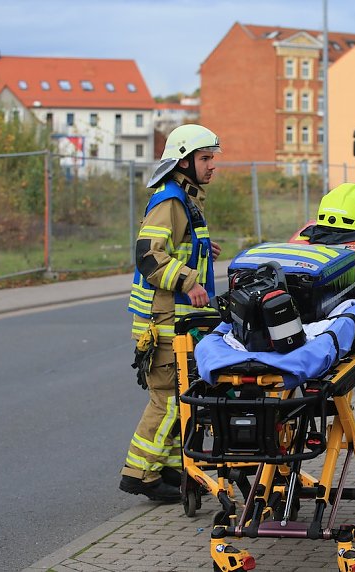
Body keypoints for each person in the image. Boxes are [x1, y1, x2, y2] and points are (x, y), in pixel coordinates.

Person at [120, 124, 222, 501]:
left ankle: (173, 468)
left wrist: (202, 249)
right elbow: (149, 256)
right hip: (162, 322)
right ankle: (140, 474)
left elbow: (174, 248)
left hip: (177, 322)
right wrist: (189, 282)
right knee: (167, 400)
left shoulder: (185, 198)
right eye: (205, 158)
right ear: (183, 161)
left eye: (212, 158)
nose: (212, 165)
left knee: (182, 398)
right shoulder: (171, 201)